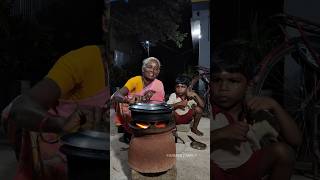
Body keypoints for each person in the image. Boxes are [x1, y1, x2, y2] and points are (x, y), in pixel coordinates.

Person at [5, 2, 110, 179]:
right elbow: (21, 107)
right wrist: (59, 124)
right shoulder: (83, 60)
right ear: (105, 24)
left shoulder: (139, 72)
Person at [210, 41, 302, 180]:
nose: (223, 87)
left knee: (284, 152)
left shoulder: (255, 111)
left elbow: (296, 140)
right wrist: (221, 134)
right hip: (216, 173)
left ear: (248, 85)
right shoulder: (205, 111)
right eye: (216, 80)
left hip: (247, 171)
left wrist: (275, 106)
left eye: (233, 81)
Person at [111, 57, 165, 143]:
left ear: (158, 72)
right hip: (133, 110)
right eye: (149, 67)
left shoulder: (159, 84)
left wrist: (146, 100)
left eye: (156, 69)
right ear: (143, 69)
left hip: (150, 111)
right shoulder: (135, 80)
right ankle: (129, 130)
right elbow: (117, 95)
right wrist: (128, 100)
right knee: (122, 103)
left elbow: (160, 103)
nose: (153, 70)